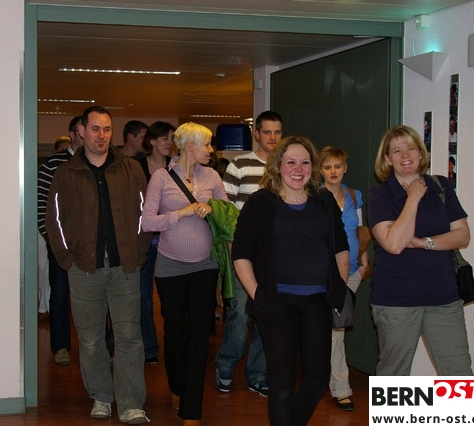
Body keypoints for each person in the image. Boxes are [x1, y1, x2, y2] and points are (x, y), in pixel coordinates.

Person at [231, 136, 349, 426]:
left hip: (318, 301)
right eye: (291, 162)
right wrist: (258, 295)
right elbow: (241, 254)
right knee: (282, 380)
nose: (298, 169)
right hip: (276, 301)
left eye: (305, 162)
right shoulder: (260, 202)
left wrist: (339, 289)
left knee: (318, 378)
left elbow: (341, 248)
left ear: (313, 167)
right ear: (278, 165)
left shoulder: (324, 201)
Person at [45, 106, 152, 424]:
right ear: (81, 131)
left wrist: (138, 254)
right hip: (83, 270)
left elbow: (145, 214)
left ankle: (131, 403)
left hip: (125, 269)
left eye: (106, 129)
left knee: (129, 337)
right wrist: (68, 260)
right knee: (91, 340)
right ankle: (102, 397)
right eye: (95, 129)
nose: (101, 135)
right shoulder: (66, 173)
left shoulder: (130, 169)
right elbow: (54, 220)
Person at [368, 124, 473, 376]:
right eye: (397, 151)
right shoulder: (379, 195)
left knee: (459, 373)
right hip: (397, 302)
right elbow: (394, 244)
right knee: (394, 377)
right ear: (387, 159)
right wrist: (413, 197)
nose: (405, 155)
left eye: (411, 148)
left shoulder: (441, 186)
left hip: (444, 298)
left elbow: (462, 235)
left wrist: (424, 242)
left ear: (420, 153)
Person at [141, 122, 227, 426]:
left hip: (205, 265)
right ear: (190, 145)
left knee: (200, 333)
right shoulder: (161, 178)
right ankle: (177, 386)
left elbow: (227, 214)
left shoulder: (213, 176)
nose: (211, 150)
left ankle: (192, 407)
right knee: (175, 331)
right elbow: (147, 221)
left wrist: (213, 209)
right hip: (170, 267)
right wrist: (183, 212)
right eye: (207, 144)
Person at [214, 110, 283, 399]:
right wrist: (234, 250)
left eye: (277, 132)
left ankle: (258, 373)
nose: (272, 137)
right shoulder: (239, 165)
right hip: (244, 255)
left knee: (269, 318)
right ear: (256, 134)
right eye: (267, 132)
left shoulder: (286, 167)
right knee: (240, 320)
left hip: (276, 259)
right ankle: (225, 365)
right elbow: (225, 212)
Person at [319, 146, 369, 412]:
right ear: (320, 170)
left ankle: (330, 381)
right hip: (325, 275)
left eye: (337, 166)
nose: (333, 171)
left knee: (336, 330)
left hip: (352, 273)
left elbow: (361, 231)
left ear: (345, 168)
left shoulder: (354, 195)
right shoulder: (314, 196)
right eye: (327, 167)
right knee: (334, 332)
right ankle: (340, 389)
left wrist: (363, 264)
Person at [37, 115, 83, 365]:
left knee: (97, 297)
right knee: (60, 295)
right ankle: (61, 346)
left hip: (92, 245)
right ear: (74, 133)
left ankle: (100, 346)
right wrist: (53, 240)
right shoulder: (53, 164)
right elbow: (41, 207)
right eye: (85, 130)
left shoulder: (100, 162)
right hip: (61, 244)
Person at [137, 121, 176, 365]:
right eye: (164, 138)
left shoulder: (177, 168)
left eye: (172, 138)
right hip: (144, 239)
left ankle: (174, 344)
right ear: (152, 141)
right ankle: (149, 347)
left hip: (171, 239)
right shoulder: (136, 167)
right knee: (143, 294)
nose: (169, 143)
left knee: (170, 295)